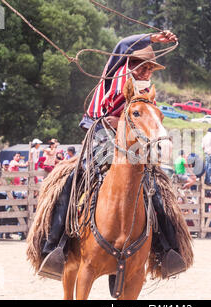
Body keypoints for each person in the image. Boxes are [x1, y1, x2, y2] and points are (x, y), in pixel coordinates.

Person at [39, 30, 187, 280]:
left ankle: (167, 250)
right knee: (72, 180)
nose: (146, 72)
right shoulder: (114, 74)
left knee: (157, 187)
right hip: (99, 132)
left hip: (131, 145)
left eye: (150, 68)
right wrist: (153, 37)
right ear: (130, 63)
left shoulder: (147, 92)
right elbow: (121, 44)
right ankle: (54, 246)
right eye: (142, 66)